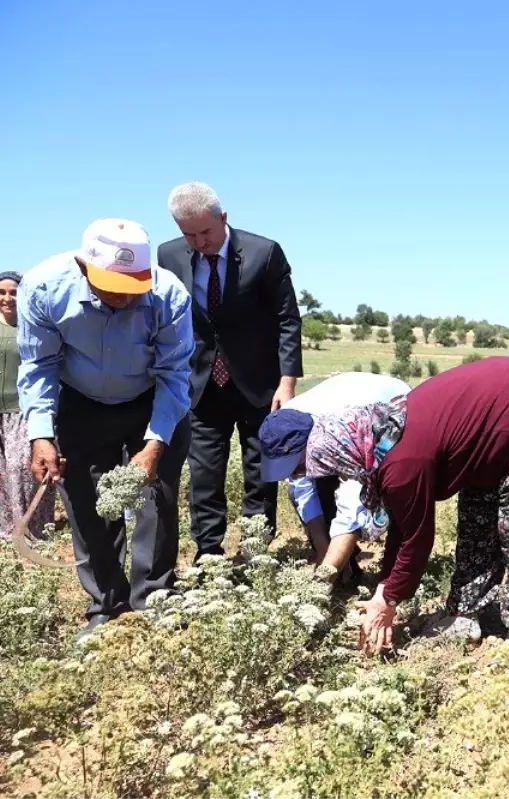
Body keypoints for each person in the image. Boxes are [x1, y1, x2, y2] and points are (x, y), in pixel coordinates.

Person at [16, 219, 193, 633]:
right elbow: (39, 366)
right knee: (87, 503)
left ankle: (152, 602)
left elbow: (174, 375)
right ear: (83, 268)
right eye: (112, 287)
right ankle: (105, 606)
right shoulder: (44, 288)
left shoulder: (169, 296)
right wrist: (40, 433)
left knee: (158, 498)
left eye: (134, 288)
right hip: (80, 399)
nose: (123, 299)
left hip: (153, 397)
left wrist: (153, 447)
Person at [320, 356, 509, 652]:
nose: (343, 474)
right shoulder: (384, 438)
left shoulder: (401, 463)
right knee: (477, 524)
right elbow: (404, 522)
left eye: (336, 466)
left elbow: (417, 539)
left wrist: (388, 600)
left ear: (346, 452)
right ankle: (465, 614)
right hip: (491, 436)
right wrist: (385, 589)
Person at [157, 182, 304, 561]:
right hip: (201, 386)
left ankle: (256, 551)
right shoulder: (168, 256)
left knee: (261, 472)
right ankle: (208, 553)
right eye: (188, 234)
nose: (199, 242)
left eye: (205, 231)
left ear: (224, 218)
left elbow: (288, 318)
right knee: (204, 476)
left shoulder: (263, 253)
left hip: (259, 386)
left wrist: (287, 382)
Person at [258, 371, 411, 584]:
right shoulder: (286, 426)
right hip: (340, 406)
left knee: (392, 494)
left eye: (297, 465)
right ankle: (344, 567)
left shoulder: (342, 440)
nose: (294, 472)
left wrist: (324, 576)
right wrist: (322, 548)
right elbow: (302, 489)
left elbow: (353, 505)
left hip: (391, 409)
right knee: (319, 493)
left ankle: (395, 575)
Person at [1, 270, 55, 540]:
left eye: (13, 292)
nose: (8, 298)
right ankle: (7, 529)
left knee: (23, 469)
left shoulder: (33, 325)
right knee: (2, 473)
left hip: (23, 410)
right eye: (2, 293)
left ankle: (35, 528)